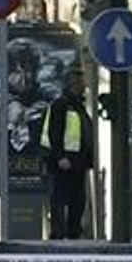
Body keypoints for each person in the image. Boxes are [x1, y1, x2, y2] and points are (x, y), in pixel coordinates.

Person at [40, 67, 94, 241]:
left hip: (79, 162)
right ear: (72, 85)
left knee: (78, 200)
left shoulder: (79, 107)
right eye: (81, 83)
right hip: (64, 162)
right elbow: (55, 133)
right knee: (60, 198)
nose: (84, 86)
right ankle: (58, 232)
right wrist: (60, 157)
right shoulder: (61, 105)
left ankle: (74, 232)